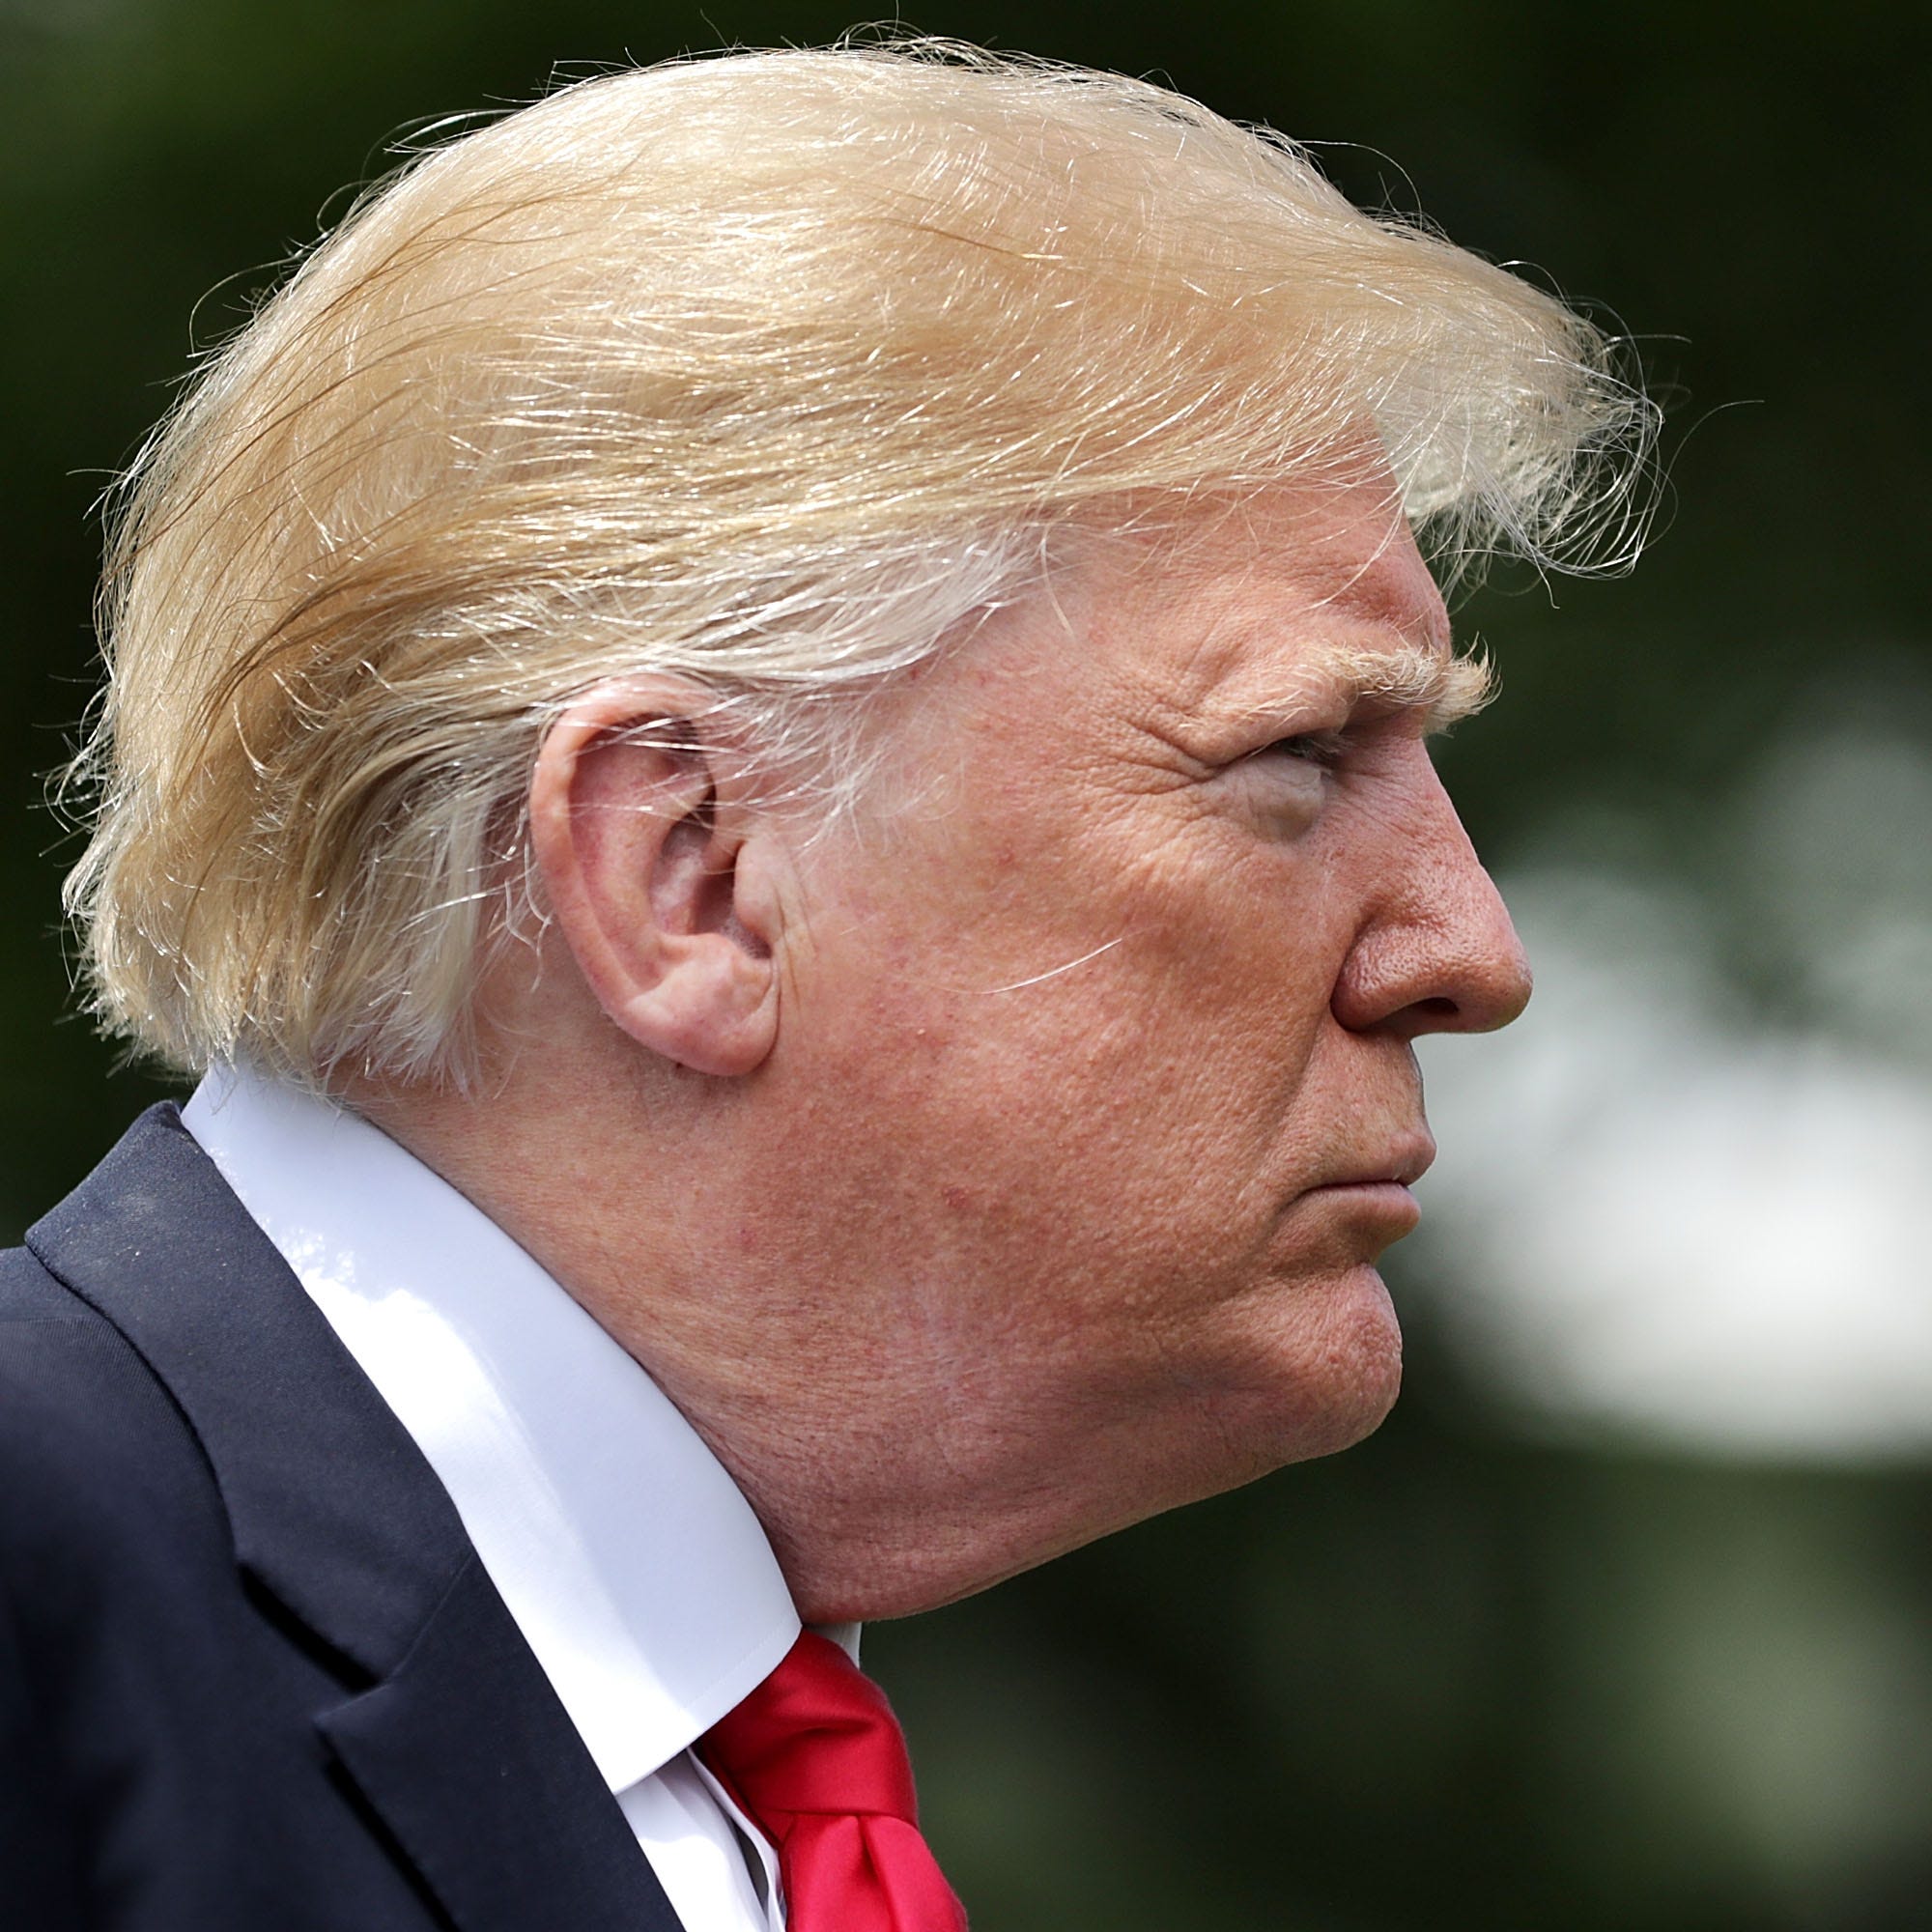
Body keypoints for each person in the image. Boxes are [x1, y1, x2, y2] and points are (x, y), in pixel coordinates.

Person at [1, 40, 1649, 1932]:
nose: (1467, 951)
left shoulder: (709, 1769)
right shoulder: (48, 1602)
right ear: (689, 875)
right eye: (1294, 755)